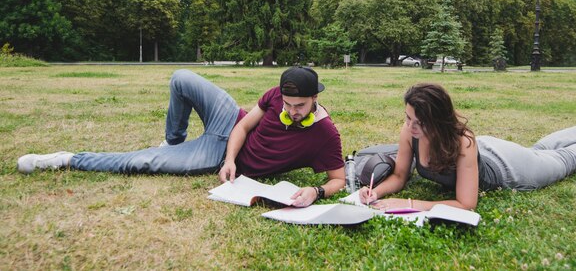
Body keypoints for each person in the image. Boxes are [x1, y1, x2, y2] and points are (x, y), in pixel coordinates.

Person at [18, 67, 346, 207]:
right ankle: (174, 142)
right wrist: (232, 158)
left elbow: (338, 180)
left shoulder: (325, 133)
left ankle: (67, 158)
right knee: (182, 78)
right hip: (230, 124)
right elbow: (245, 127)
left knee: (142, 162)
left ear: (315, 99)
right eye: (288, 104)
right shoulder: (276, 95)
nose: (292, 110)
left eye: (299, 105)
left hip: (213, 154)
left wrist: (317, 192)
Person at [359, 83, 576, 212]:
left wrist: (410, 203)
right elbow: (399, 175)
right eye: (408, 118)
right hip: (488, 150)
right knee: (539, 149)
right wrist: (376, 192)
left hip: (508, 168)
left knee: (560, 162)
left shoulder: (462, 142)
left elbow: (466, 203)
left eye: (418, 122)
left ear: (438, 121)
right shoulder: (410, 132)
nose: (410, 126)